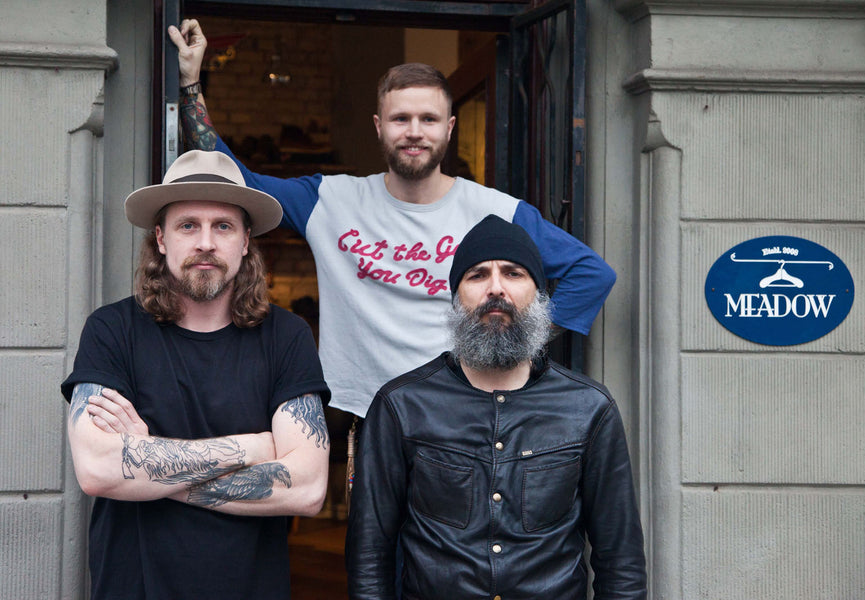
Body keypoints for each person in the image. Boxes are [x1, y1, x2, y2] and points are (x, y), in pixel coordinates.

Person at [167, 20, 618, 426]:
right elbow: (234, 179)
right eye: (401, 118)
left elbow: (590, 274)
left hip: (465, 415)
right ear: (379, 126)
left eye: (429, 119)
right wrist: (190, 83)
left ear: (449, 127)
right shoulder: (330, 200)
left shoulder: (495, 211)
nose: (414, 131)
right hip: (368, 415)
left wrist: (515, 341)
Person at [61, 150, 331, 600]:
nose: (206, 242)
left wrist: (149, 466)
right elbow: (97, 469)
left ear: (245, 241)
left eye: (223, 226)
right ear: (161, 239)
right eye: (188, 225)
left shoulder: (286, 337)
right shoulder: (112, 330)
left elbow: (306, 488)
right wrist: (254, 447)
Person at [346, 215, 647, 599]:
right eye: (477, 275)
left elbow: (620, 561)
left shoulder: (589, 408)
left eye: (513, 273)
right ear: (456, 298)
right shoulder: (401, 406)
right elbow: (370, 554)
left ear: (539, 296)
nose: (496, 288)